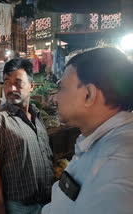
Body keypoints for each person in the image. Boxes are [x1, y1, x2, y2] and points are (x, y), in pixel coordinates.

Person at [41, 47, 133, 214]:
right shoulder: (97, 142)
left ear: (89, 95)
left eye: (62, 88)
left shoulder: (119, 166)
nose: (55, 97)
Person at [0, 58, 54, 214]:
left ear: (31, 86)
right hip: (20, 207)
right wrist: (0, 210)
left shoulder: (37, 117)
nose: (10, 88)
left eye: (18, 83)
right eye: (6, 82)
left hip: (47, 203)